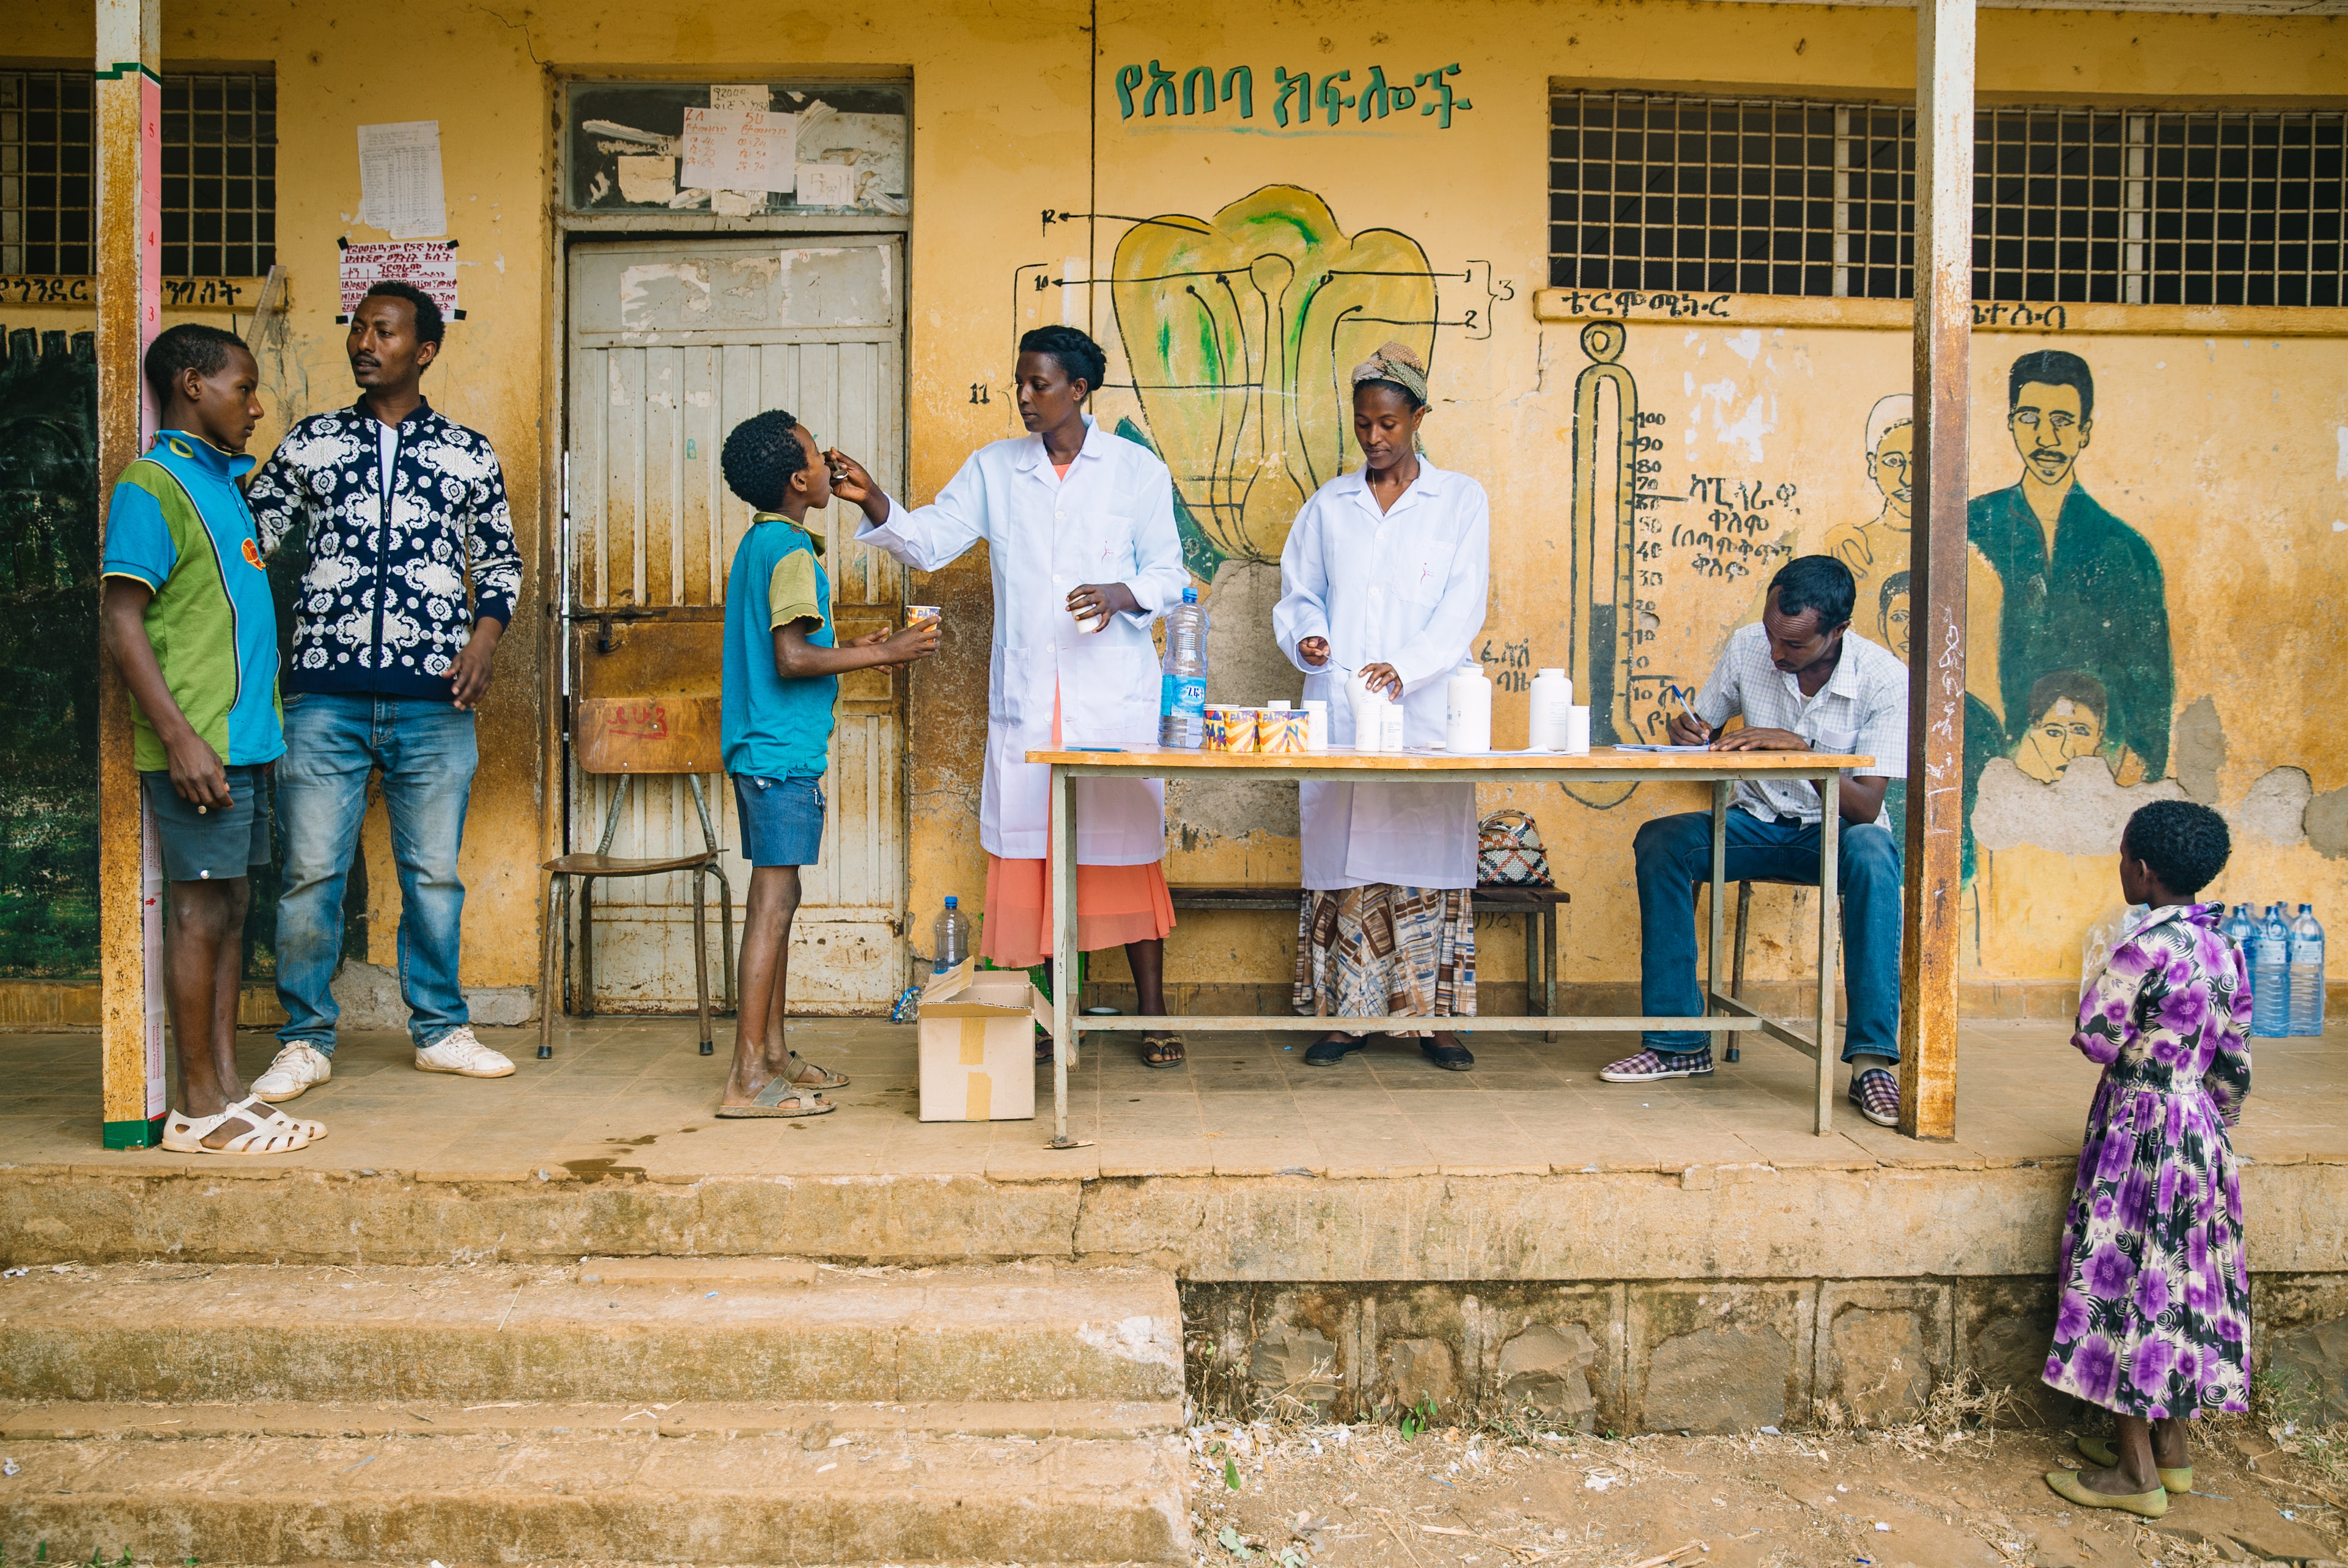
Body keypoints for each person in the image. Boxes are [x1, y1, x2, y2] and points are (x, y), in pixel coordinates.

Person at [829, 325, 1192, 1067]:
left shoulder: (1135, 471)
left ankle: (1152, 1013)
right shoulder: (996, 470)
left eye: (1040, 384)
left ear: (1079, 390)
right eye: (1020, 384)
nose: (1024, 398)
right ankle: (1058, 1022)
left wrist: (1124, 591)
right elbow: (930, 541)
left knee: (1123, 856)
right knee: (1040, 865)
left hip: (1109, 698)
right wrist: (874, 499)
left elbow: (1169, 572)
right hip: (1033, 697)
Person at [243, 280, 525, 1099]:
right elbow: (252, 536)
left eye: (386, 332)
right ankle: (304, 1040)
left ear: (424, 349)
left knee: (432, 873)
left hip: (435, 701)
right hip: (322, 698)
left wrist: (486, 641)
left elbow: (500, 562)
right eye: (360, 329)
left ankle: (440, 1028)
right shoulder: (310, 443)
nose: (366, 342)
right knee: (309, 875)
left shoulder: (469, 453)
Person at [100, 325, 319, 1154]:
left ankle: (230, 1092)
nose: (257, 406)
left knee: (230, 908)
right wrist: (179, 737)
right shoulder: (151, 486)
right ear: (192, 384)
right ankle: (196, 1109)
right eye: (243, 388)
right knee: (198, 912)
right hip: (200, 744)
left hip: (247, 741)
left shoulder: (222, 487)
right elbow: (123, 619)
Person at [1603, 554, 1909, 1126]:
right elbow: (1705, 732)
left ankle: (1871, 1063)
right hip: (1756, 822)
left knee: (1875, 853)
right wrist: (1691, 732)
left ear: (1837, 630)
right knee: (1662, 841)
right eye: (1771, 634)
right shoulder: (1750, 646)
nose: (1775, 654)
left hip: (1836, 833)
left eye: (1793, 645)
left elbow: (1867, 805)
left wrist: (1802, 748)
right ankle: (1678, 1042)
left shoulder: (1885, 679)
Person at [714, 411, 939, 1117]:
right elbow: (792, 657)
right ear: (798, 479)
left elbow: (797, 644)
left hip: (765, 752)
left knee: (779, 900)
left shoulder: (764, 542)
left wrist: (861, 640)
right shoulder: (791, 556)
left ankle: (774, 1055)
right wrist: (885, 653)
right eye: (816, 455)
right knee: (772, 908)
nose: (828, 463)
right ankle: (748, 1079)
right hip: (780, 757)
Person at [1274, 342, 1490, 1072]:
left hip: (1426, 709)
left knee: (1428, 856)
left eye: (1390, 425)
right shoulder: (1328, 506)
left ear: (1420, 418)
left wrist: (1409, 667)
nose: (1375, 439)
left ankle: (1434, 1022)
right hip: (1340, 701)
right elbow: (1299, 592)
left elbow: (1464, 603)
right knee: (1347, 861)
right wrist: (1307, 636)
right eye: (1364, 425)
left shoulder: (1460, 499)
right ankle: (1345, 1018)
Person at [2042, 800, 2250, 1520]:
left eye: (2124, 856)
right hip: (2199, 1131)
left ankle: (2135, 1476)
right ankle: (2173, 1454)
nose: (2120, 866)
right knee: (2181, 1284)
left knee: (2127, 1283)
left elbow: (2096, 1035)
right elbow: (2235, 1065)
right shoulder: (2226, 946)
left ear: (2144, 869)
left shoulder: (2142, 947)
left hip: (2139, 1127)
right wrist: (2209, 1126)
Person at [1969, 350, 2173, 780]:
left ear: (2085, 432)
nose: (2046, 438)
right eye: (2029, 418)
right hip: (1984, 757)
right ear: (2010, 423)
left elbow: (2148, 673)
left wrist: (2137, 756)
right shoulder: (1970, 526)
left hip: (2093, 764)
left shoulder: (2126, 548)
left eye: (2062, 421)